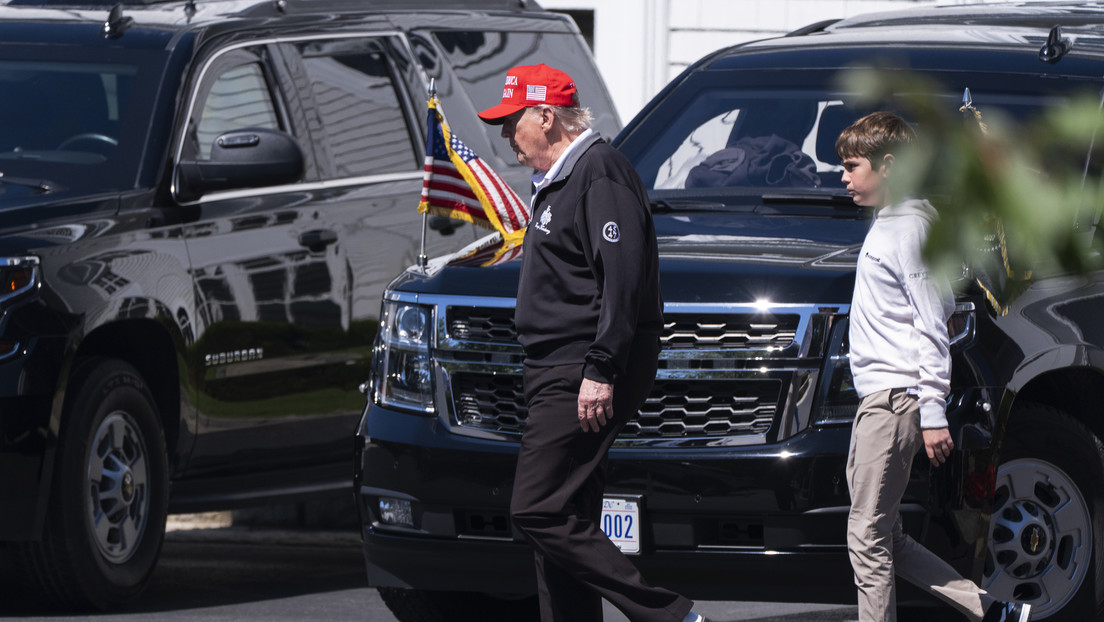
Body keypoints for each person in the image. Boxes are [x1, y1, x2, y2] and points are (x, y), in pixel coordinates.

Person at [477, 63, 706, 622]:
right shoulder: (560, 180)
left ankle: (671, 615)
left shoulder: (598, 171)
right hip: (556, 365)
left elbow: (622, 278)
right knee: (566, 514)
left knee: (536, 507)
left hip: (580, 366)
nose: (508, 137)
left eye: (513, 123)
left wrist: (601, 367)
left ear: (546, 116)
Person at [838, 111, 1031, 622]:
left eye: (852, 165)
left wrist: (932, 412)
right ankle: (990, 611)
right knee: (885, 535)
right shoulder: (899, 224)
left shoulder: (907, 232)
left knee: (867, 538)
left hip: (893, 400)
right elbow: (940, 307)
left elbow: (931, 325)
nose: (844, 176)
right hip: (880, 399)